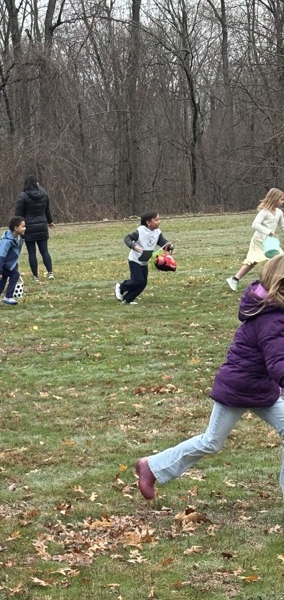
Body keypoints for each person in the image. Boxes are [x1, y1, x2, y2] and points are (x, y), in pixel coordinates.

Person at [135, 255, 284, 500]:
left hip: (260, 388)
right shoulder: (271, 318)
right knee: (211, 441)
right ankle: (151, 466)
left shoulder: (274, 311)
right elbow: (279, 365)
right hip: (239, 388)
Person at [226, 188, 284, 291]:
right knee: (253, 261)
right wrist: (268, 231)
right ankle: (235, 279)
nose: (282, 202)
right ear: (274, 199)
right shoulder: (264, 212)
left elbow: (283, 226)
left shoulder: (279, 212)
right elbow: (255, 224)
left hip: (270, 242)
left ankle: (273, 282)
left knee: (278, 259)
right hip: (259, 240)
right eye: (281, 199)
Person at [115, 212, 174, 306]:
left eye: (159, 219)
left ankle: (128, 299)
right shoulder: (141, 231)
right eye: (156, 220)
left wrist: (169, 246)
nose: (159, 222)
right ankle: (121, 287)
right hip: (135, 260)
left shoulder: (157, 232)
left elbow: (163, 242)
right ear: (148, 222)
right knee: (138, 280)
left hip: (144, 261)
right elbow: (128, 238)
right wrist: (133, 246)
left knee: (143, 283)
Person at [14, 176, 55, 282]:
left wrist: (17, 227)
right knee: (44, 251)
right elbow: (47, 211)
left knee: (32, 253)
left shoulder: (23, 196)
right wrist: (50, 222)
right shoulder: (44, 194)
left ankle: (35, 276)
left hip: (28, 228)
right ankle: (50, 273)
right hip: (42, 226)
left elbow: (19, 214)